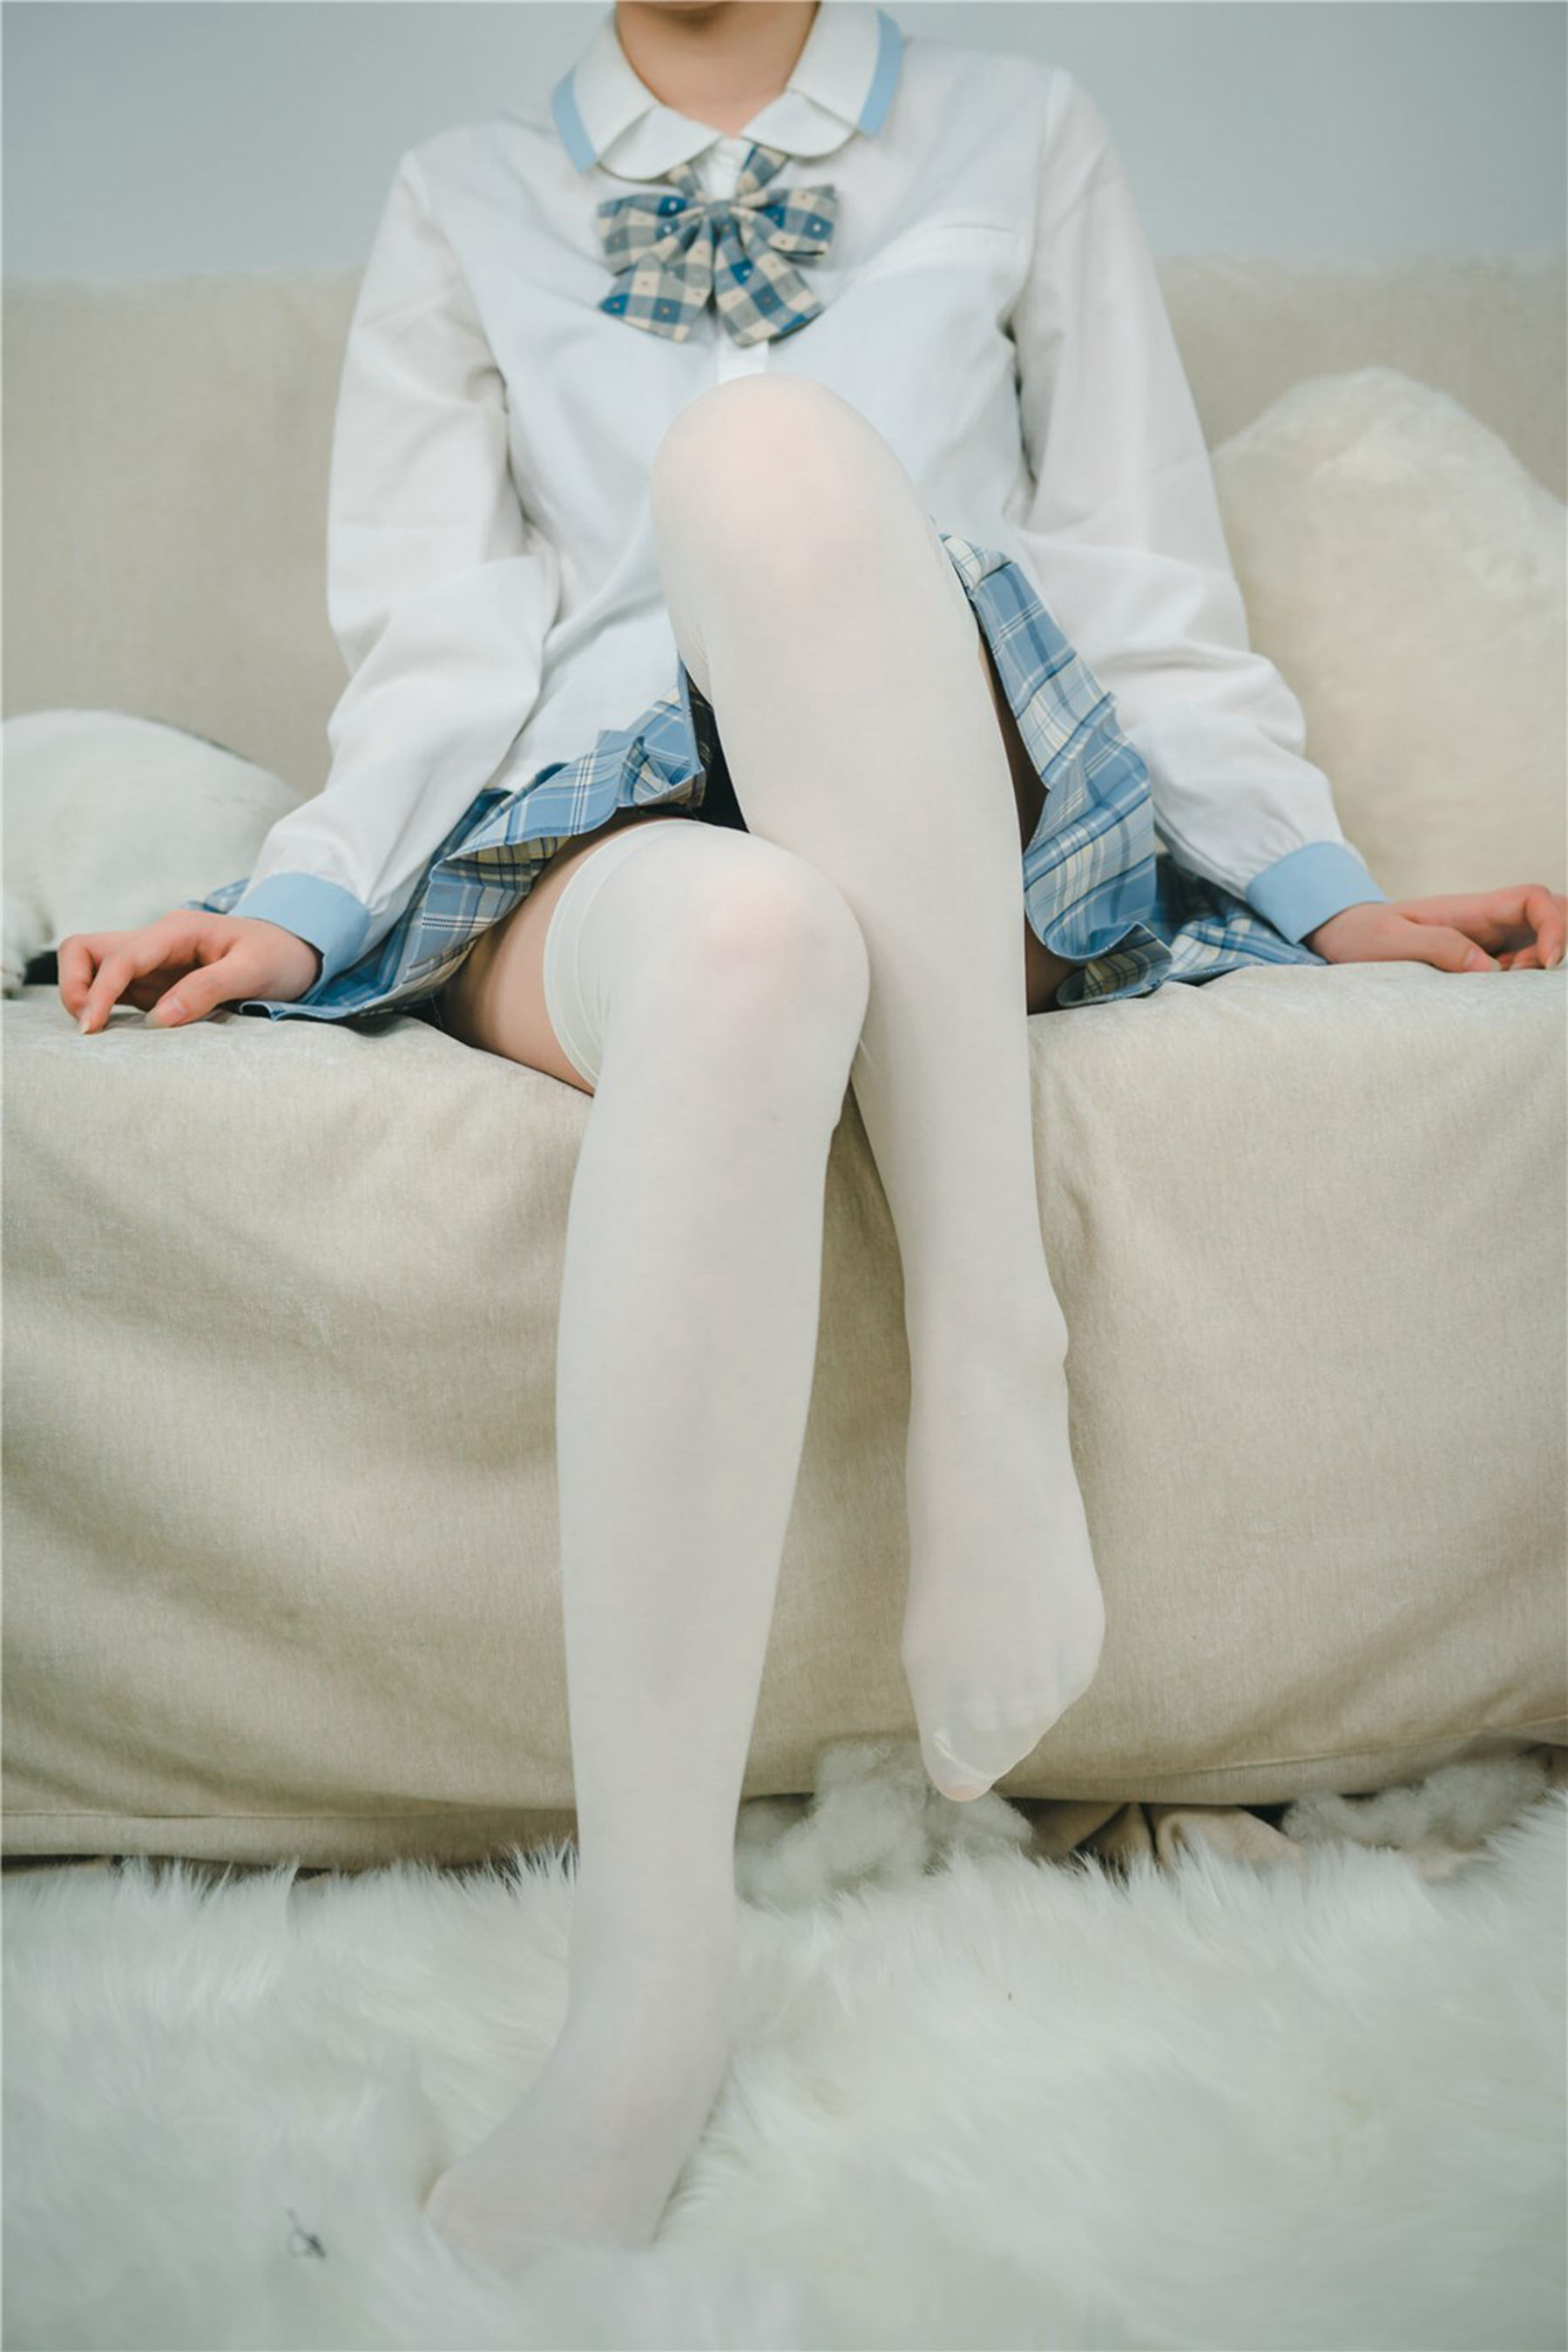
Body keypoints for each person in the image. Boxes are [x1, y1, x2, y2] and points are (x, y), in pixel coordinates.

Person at [58, 0, 1565, 2281]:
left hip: (949, 780)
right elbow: (439, 655)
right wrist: (295, 905)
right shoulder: (470, 200)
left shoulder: (1018, 132)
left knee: (766, 460)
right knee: (749, 946)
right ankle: (644, 1999)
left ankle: (990, 1356)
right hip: (606, 812)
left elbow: (1146, 589)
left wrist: (1322, 888)